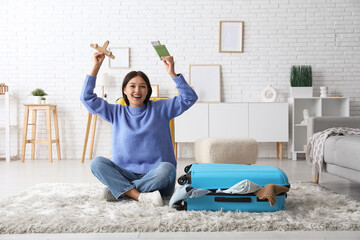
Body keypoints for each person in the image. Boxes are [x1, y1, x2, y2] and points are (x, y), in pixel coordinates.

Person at [80, 51, 198, 206]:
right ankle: (139, 195)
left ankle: (123, 192)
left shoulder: (162, 108)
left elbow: (190, 98)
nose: (137, 90)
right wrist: (96, 66)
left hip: (157, 179)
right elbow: (86, 98)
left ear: (148, 91)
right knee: (97, 163)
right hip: (127, 175)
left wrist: (173, 73)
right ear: (124, 90)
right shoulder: (116, 112)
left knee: (167, 168)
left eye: (143, 86)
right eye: (132, 86)